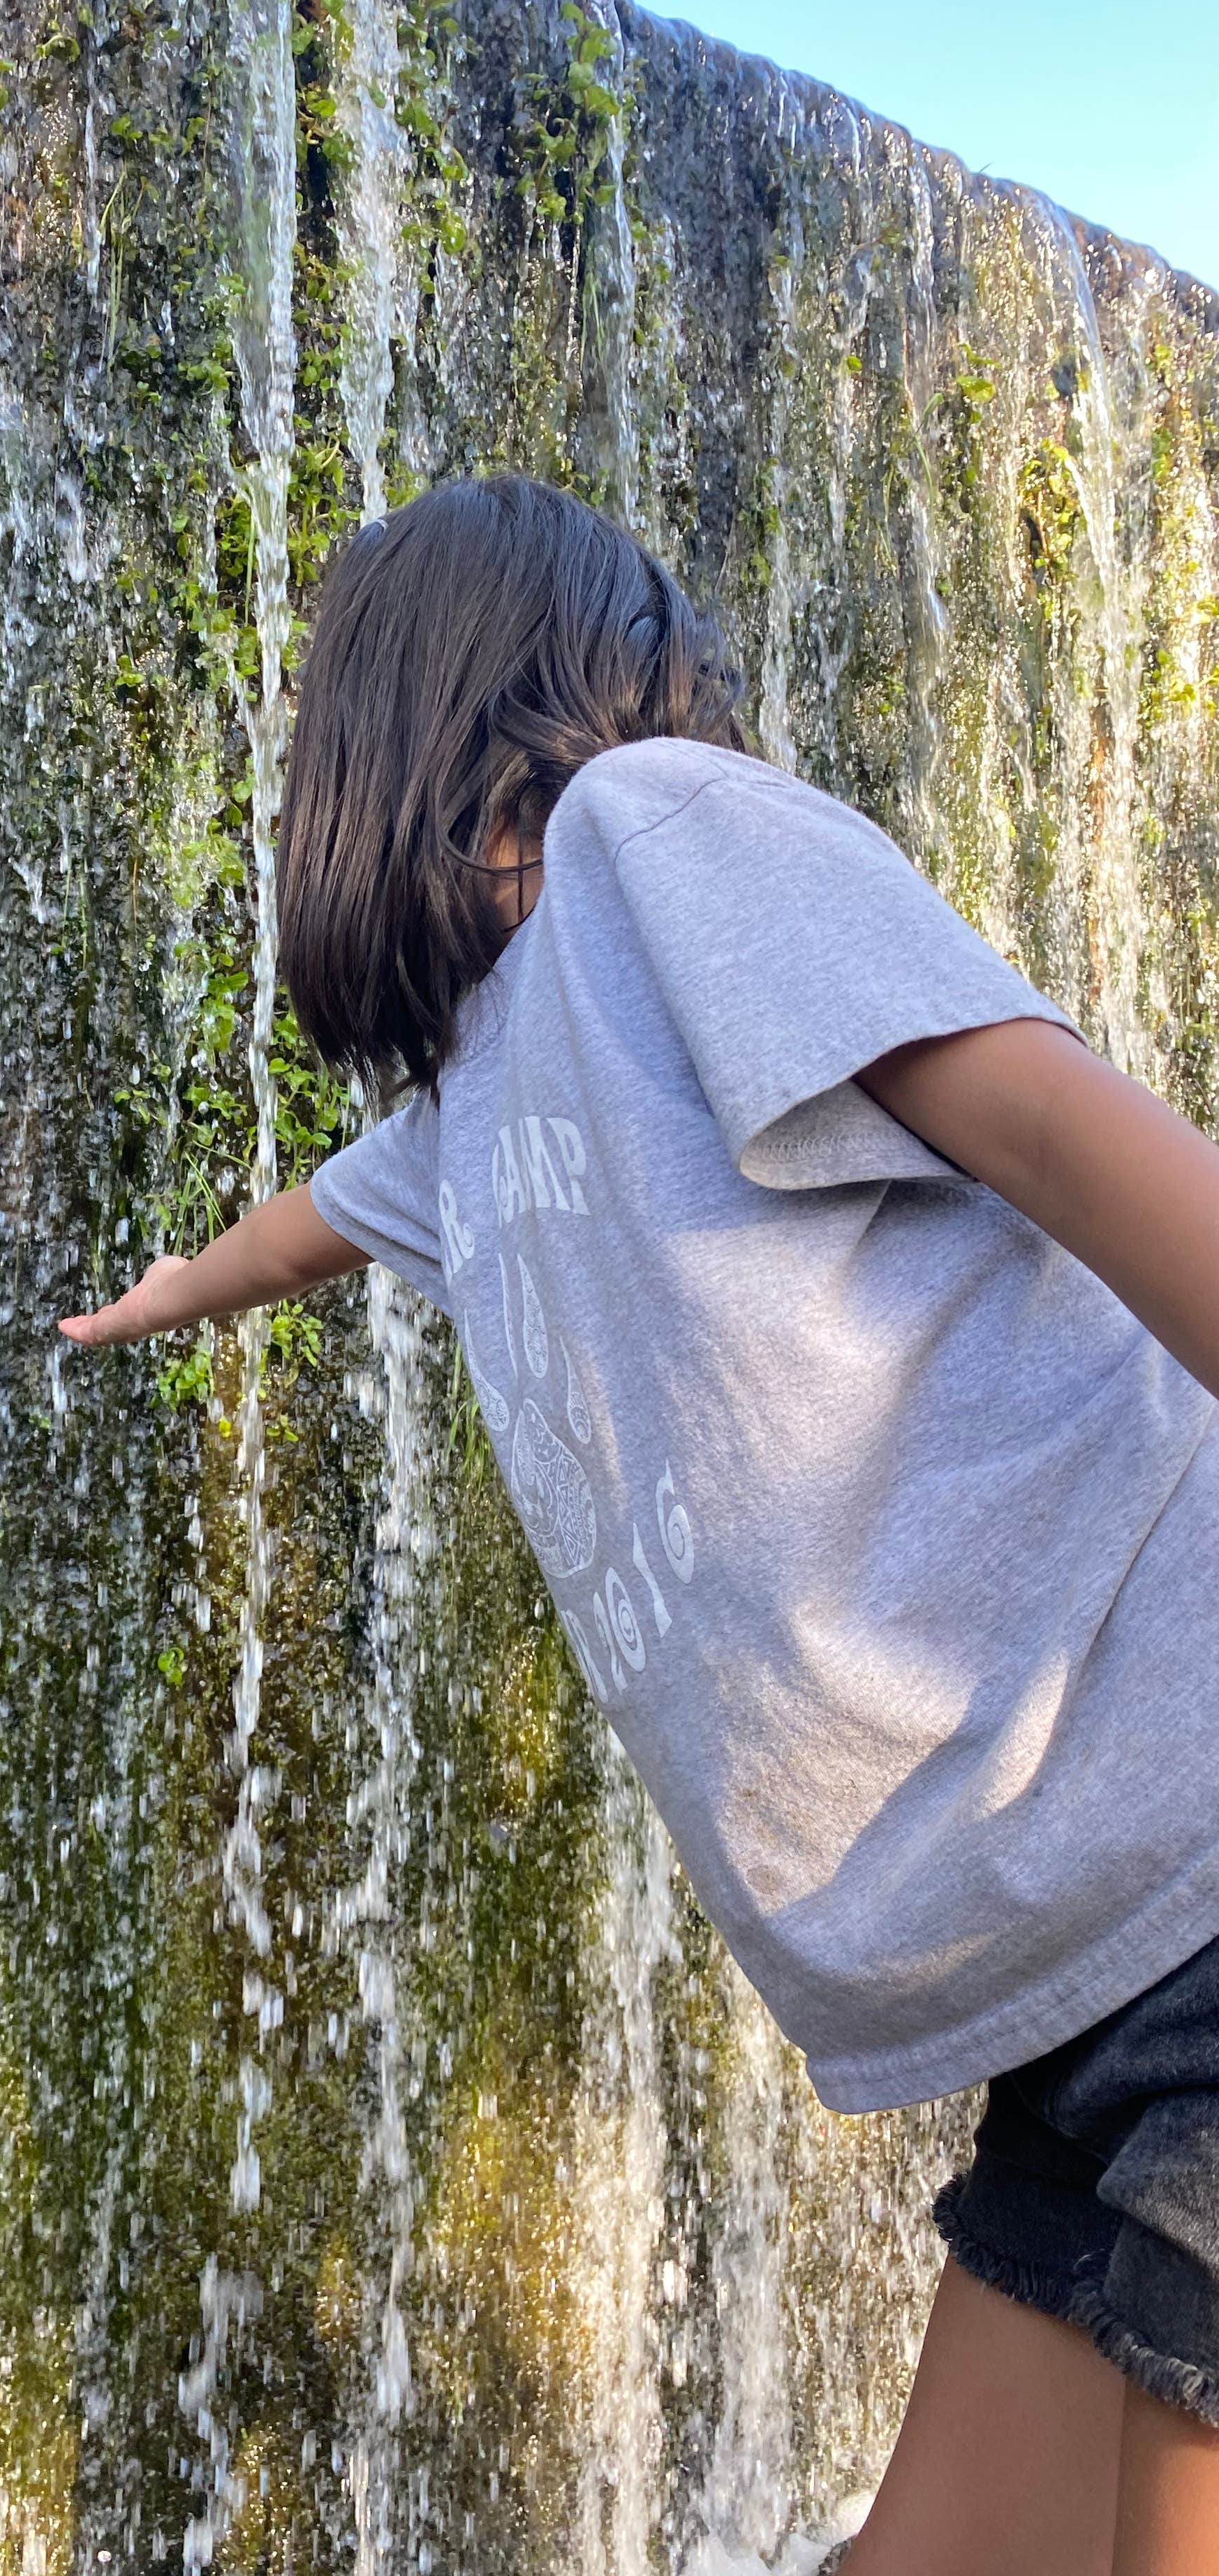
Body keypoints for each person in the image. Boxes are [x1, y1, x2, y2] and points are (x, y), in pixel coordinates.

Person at [60, 477, 1219, 2576]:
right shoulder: (493, 1092)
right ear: (589, 655)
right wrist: (162, 1297)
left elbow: (1041, 1113)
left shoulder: (655, 834)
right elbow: (332, 1214)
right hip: (1089, 1931)